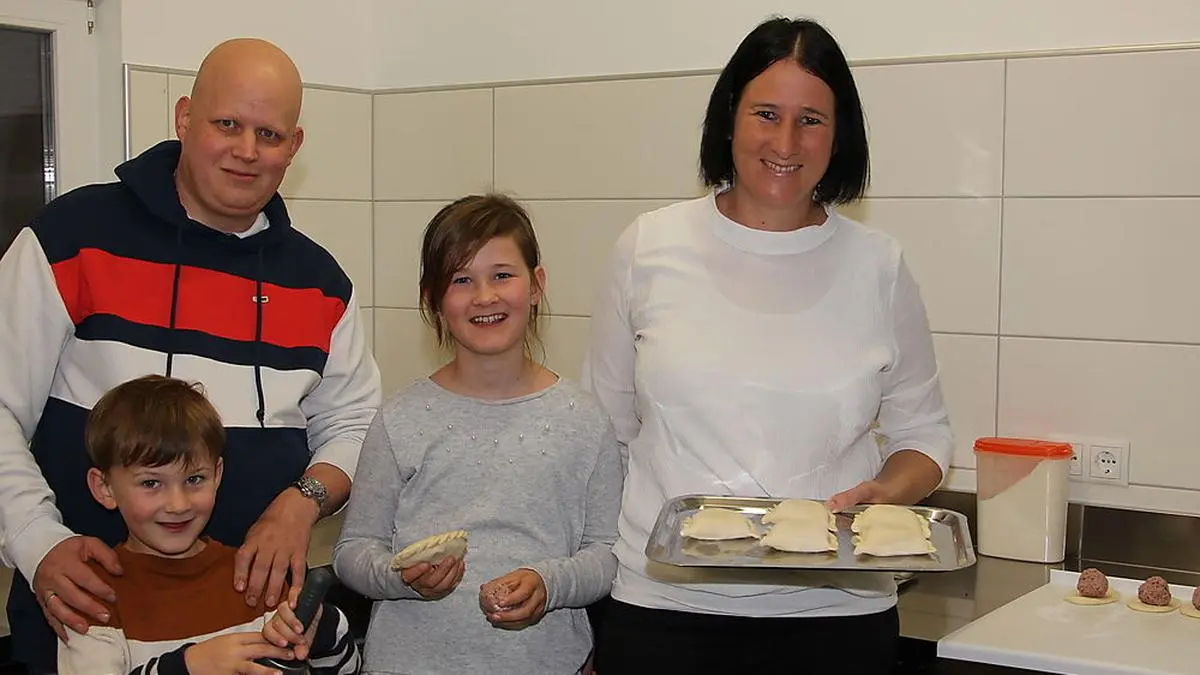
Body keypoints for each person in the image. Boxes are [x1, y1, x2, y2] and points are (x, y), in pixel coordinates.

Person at [581, 17, 954, 674]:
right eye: (766, 114)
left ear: (838, 136)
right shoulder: (649, 247)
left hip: (835, 617)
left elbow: (924, 434)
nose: (786, 142)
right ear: (729, 119)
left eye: (811, 120)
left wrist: (887, 491)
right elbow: (602, 433)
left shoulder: (878, 266)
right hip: (665, 611)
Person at [0, 38, 381, 672]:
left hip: (258, 633)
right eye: (226, 124)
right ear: (183, 118)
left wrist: (302, 502)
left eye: (269, 134)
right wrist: (38, 542)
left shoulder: (320, 283)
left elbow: (358, 425)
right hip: (91, 625)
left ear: (294, 146)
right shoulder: (70, 238)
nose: (246, 150)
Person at [333, 194, 623, 674]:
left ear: (537, 285)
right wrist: (400, 576)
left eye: (502, 275)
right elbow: (353, 550)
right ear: (433, 298)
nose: (485, 296)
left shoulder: (585, 421)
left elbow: (608, 554)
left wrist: (549, 583)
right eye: (461, 280)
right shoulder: (399, 417)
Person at [57, 375, 360, 674]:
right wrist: (186, 667)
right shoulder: (92, 596)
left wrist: (323, 630)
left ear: (217, 475)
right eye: (151, 483)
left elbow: (346, 668)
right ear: (104, 488)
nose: (178, 505)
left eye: (194, 479)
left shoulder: (256, 578)